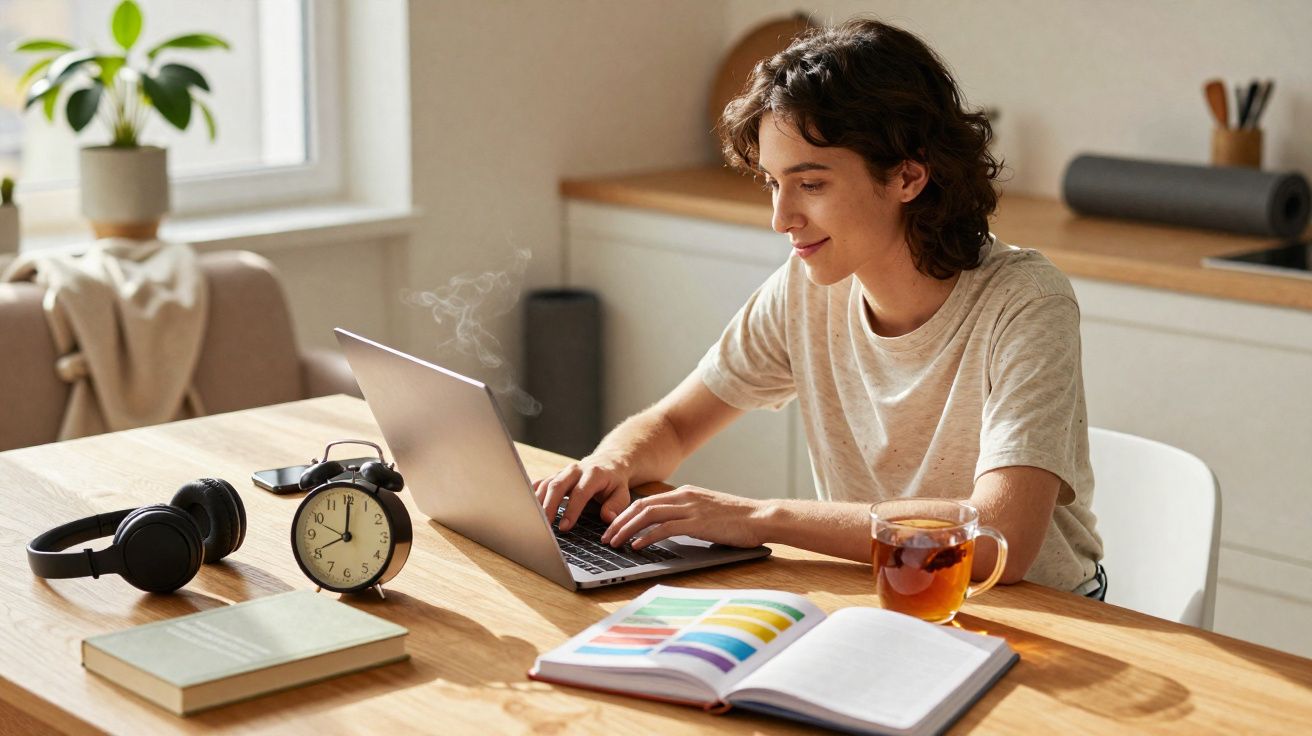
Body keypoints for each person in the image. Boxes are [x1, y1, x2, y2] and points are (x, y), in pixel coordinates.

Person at [535, 17, 1104, 595]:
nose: (781, 219)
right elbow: (676, 424)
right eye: (772, 183)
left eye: (811, 184)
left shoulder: (1026, 302)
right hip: (885, 594)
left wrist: (760, 518)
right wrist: (611, 463)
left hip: (1041, 615)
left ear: (908, 174)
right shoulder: (808, 285)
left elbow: (998, 538)